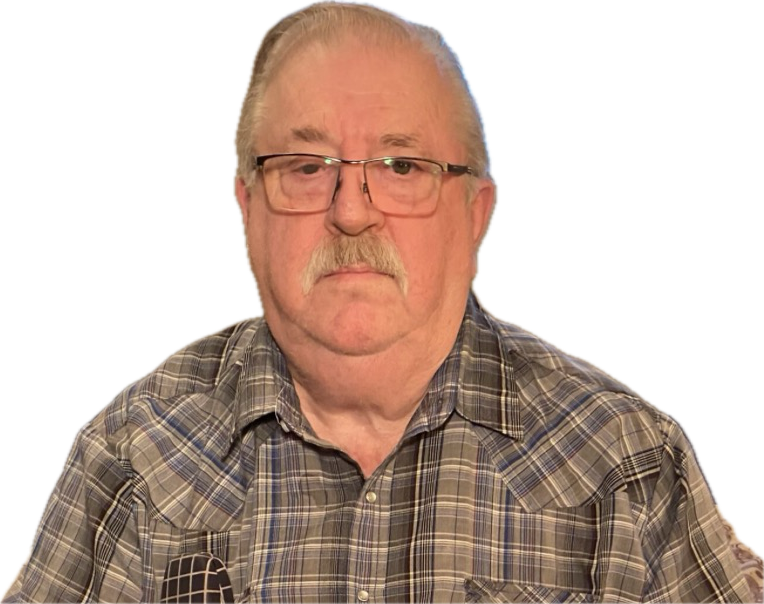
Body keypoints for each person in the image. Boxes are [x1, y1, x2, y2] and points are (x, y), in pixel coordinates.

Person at [2, 2, 754, 603]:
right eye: (306, 167)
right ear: (246, 209)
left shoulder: (623, 464)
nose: (352, 211)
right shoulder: (135, 452)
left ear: (476, 215)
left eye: (401, 166)